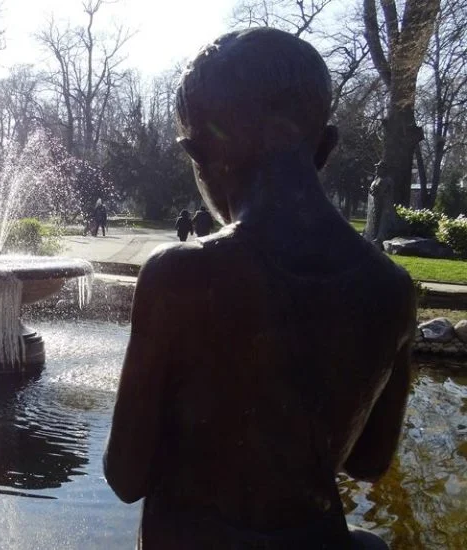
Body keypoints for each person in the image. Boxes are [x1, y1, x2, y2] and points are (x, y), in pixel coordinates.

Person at [103, 28, 415, 549]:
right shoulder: (393, 288)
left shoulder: (178, 275)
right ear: (326, 148)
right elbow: (368, 461)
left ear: (200, 154)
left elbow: (126, 477)